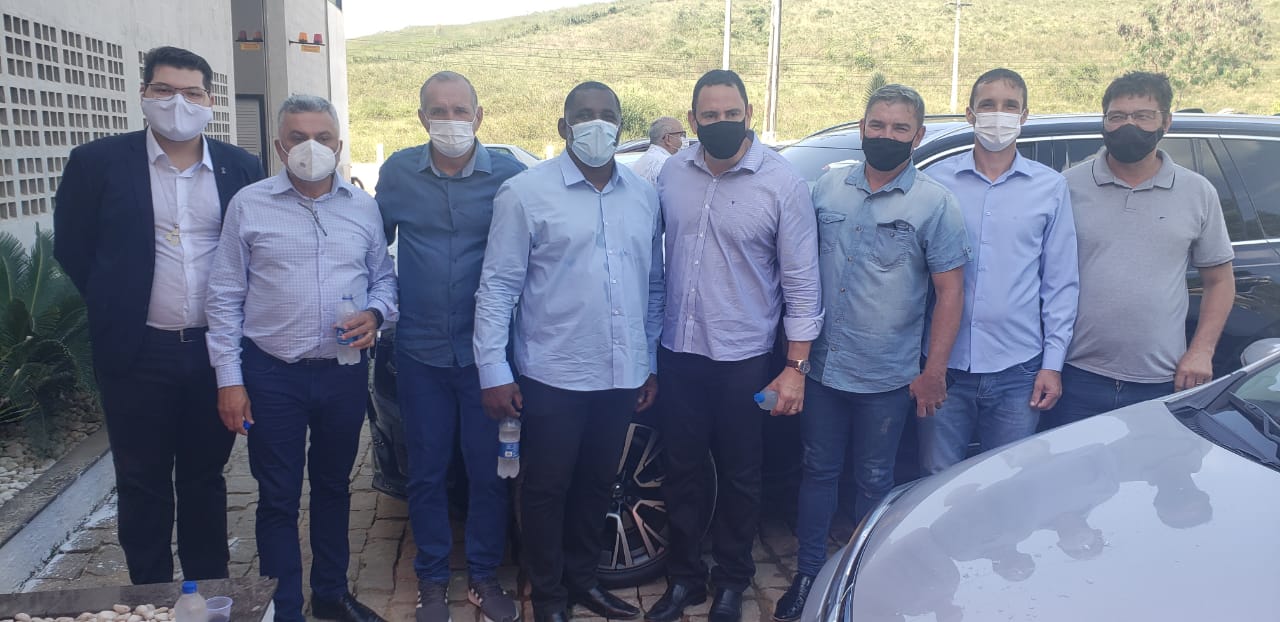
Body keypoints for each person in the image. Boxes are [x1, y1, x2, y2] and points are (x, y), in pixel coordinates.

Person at [52, 45, 263, 586]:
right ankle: (151, 594)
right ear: (144, 93)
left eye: (192, 93)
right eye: (165, 90)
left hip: (213, 353)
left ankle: (207, 593)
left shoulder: (241, 167)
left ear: (209, 101)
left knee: (204, 478)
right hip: (136, 351)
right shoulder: (97, 163)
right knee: (141, 481)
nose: (178, 103)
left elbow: (255, 252)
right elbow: (73, 247)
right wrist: (115, 301)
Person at [774, 84, 969, 621]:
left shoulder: (935, 203)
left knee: (875, 482)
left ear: (918, 136)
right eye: (877, 125)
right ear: (862, 127)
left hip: (887, 376)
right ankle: (808, 574)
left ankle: (861, 581)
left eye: (899, 128)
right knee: (816, 472)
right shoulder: (826, 188)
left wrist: (934, 371)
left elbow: (950, 292)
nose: (886, 135)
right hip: (823, 368)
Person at [473, 81, 663, 622]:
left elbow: (653, 284)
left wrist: (648, 361)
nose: (596, 124)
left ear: (621, 126)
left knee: (598, 484)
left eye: (607, 115)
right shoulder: (525, 193)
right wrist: (493, 369)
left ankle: (584, 581)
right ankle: (549, 597)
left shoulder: (643, 195)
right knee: (545, 490)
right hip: (553, 371)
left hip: (620, 372)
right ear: (563, 127)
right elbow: (498, 288)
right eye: (584, 115)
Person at [206, 94, 396, 622]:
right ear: (279, 146)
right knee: (278, 496)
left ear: (339, 144)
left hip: (342, 372)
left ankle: (331, 595)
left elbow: (384, 278)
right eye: (298, 137)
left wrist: (376, 314)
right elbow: (223, 295)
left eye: (323, 137)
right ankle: (284, 606)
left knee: (334, 487)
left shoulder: (362, 207)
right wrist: (229, 380)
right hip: (272, 375)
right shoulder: (249, 205)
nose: (312, 147)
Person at [649, 69, 822, 622]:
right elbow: (655, 260)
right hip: (679, 351)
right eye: (710, 115)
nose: (721, 122)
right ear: (693, 118)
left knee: (742, 475)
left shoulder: (782, 182)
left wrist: (795, 366)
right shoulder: (673, 172)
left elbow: (802, 283)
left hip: (745, 359)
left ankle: (731, 581)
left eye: (731, 114)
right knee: (682, 471)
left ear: (749, 114)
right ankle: (684, 579)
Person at [375, 70, 525, 622]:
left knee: (490, 470)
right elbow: (371, 249)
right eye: (438, 111)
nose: (451, 120)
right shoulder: (397, 174)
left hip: (487, 358)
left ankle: (484, 575)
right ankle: (433, 580)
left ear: (479, 116)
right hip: (421, 353)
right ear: (422, 118)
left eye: (461, 110)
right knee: (427, 471)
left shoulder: (510, 178)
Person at [1045, 71, 1234, 426]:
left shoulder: (1198, 192)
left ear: (1166, 122)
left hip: (1162, 380)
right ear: (1104, 121)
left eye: (1143, 116)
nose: (1128, 126)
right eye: (1117, 116)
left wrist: (1201, 351)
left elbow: (1220, 281)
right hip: (1075, 376)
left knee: (1153, 462)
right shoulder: (1067, 187)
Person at [917, 68, 1079, 476]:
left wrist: (1052, 364)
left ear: (1024, 116)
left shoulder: (1049, 187)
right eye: (988, 105)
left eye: (1010, 106)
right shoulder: (936, 182)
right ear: (970, 114)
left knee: (1008, 482)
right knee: (937, 482)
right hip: (944, 368)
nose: (998, 115)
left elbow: (1060, 283)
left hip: (1018, 369)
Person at [629, 116, 685, 185]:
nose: (683, 139)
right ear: (668, 138)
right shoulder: (667, 165)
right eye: (681, 135)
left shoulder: (642, 161)